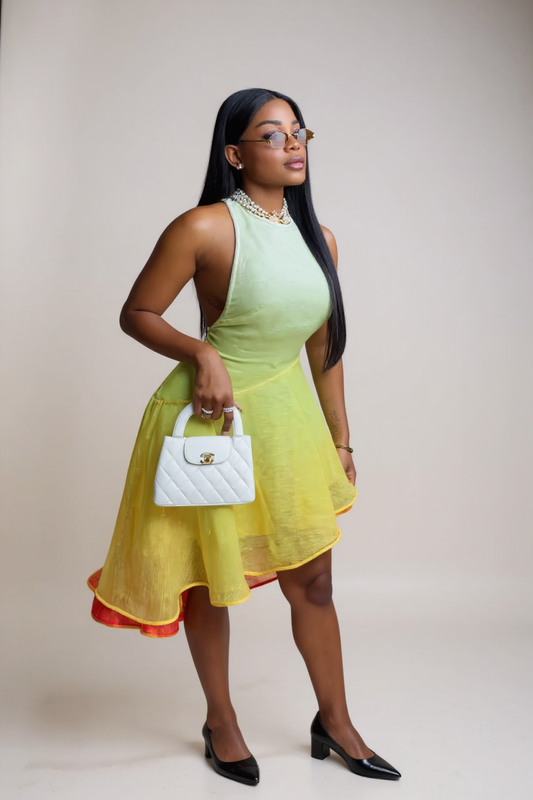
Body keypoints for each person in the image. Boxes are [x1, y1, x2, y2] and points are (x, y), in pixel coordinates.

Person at [87, 88, 401, 786]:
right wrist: (201, 354)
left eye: (299, 132)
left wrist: (342, 442)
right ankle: (221, 722)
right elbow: (137, 312)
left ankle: (336, 721)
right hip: (211, 421)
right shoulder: (203, 227)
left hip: (288, 422)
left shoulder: (320, 240)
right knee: (207, 582)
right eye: (272, 134)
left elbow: (324, 348)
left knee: (314, 580)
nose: (293, 145)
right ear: (234, 154)